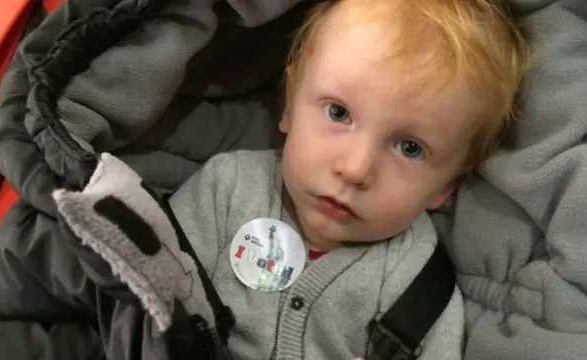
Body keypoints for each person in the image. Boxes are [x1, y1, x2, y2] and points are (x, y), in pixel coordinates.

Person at [167, 0, 528, 359]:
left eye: (410, 148)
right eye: (338, 113)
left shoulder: (420, 283)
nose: (356, 169)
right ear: (290, 105)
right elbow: (142, 299)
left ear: (445, 188)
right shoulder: (226, 189)